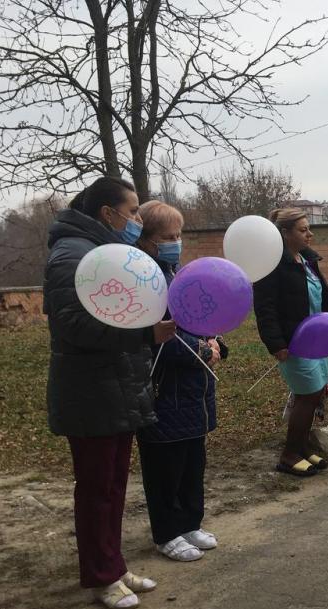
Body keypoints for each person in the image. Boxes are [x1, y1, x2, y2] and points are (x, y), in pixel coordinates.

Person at [45, 176, 175, 609]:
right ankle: (101, 575)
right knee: (97, 488)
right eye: (133, 211)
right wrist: (145, 334)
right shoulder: (72, 254)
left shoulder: (104, 251)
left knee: (115, 484)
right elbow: (73, 326)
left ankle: (114, 565)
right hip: (90, 389)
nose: (138, 219)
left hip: (116, 383)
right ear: (108, 213)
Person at [135, 200, 226, 562]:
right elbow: (159, 335)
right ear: (146, 240)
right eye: (167, 237)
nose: (176, 242)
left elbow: (200, 317)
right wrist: (202, 351)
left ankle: (190, 521)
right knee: (165, 468)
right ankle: (166, 532)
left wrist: (216, 342)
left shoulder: (178, 274)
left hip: (194, 391)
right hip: (165, 390)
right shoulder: (144, 280)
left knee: (192, 461)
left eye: (178, 235)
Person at [254, 207, 328, 477]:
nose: (310, 234)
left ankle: (302, 448)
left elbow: (323, 296)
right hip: (293, 343)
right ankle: (289, 455)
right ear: (284, 233)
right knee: (307, 394)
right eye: (303, 230)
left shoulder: (307, 259)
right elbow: (265, 308)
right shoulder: (272, 265)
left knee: (315, 393)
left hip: (317, 340)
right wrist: (276, 343)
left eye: (308, 229)